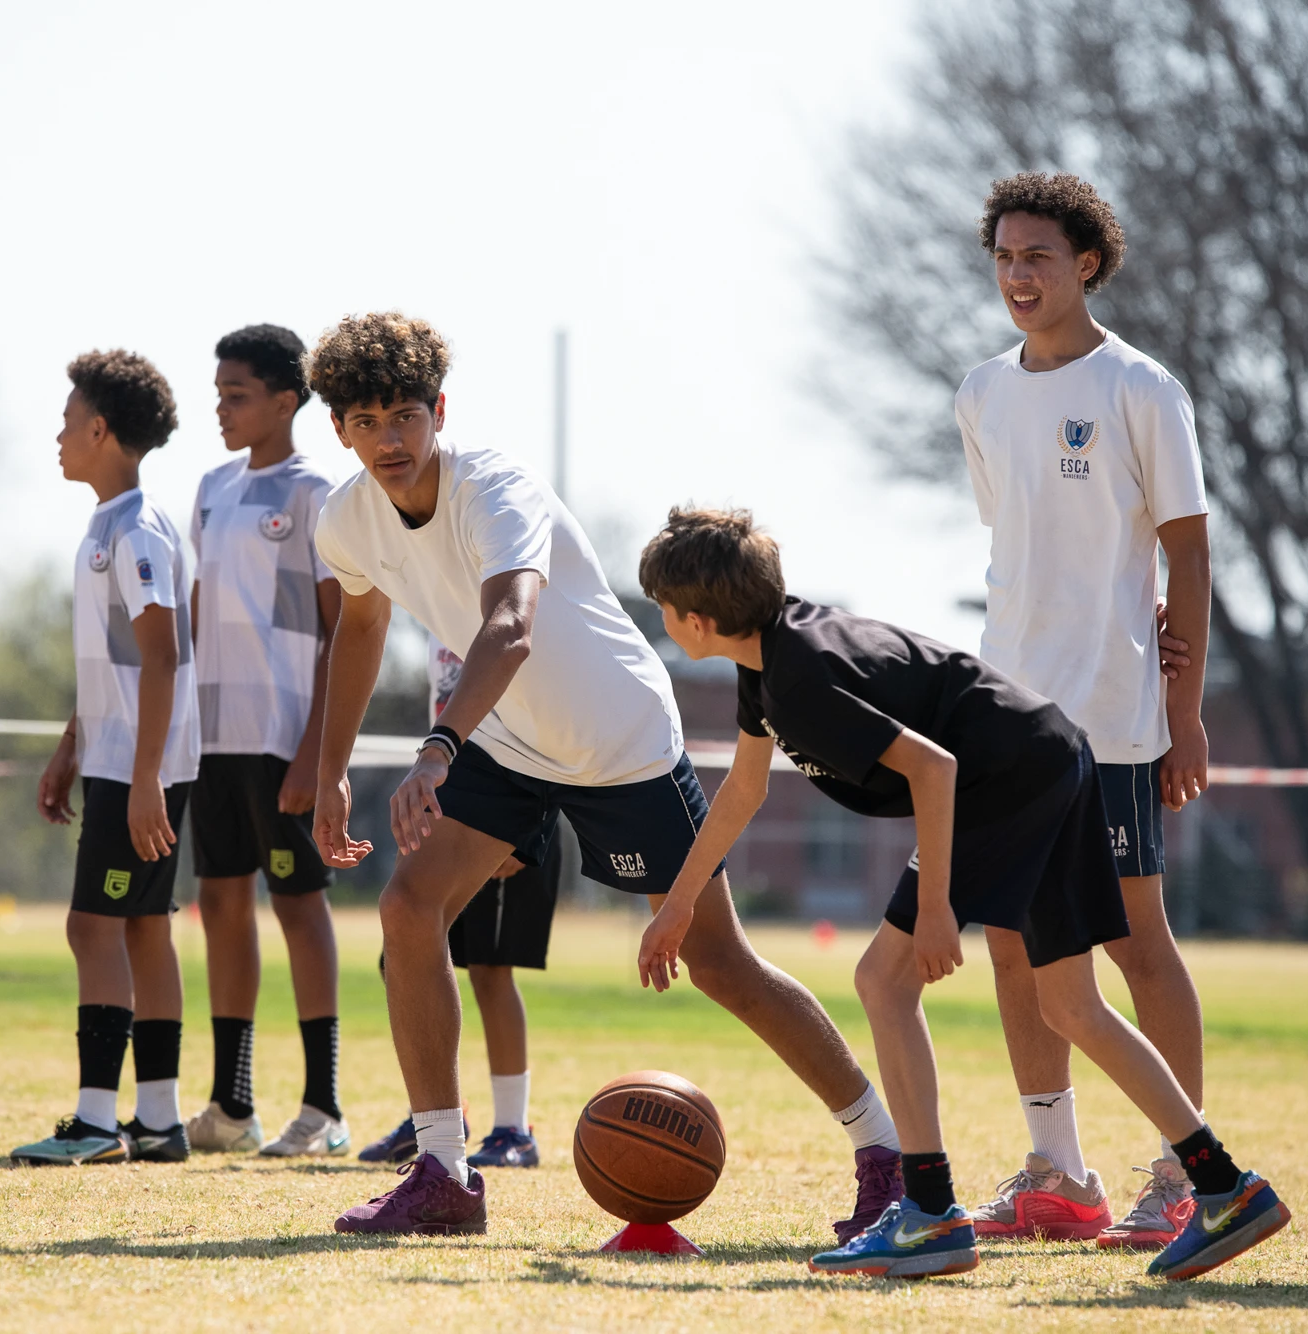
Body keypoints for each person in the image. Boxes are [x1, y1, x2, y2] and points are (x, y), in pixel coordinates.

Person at [306, 312, 895, 1239]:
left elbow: (510, 629)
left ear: (439, 411)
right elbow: (363, 630)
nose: (388, 439)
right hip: (504, 735)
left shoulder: (493, 485)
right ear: (338, 428)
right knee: (408, 909)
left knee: (721, 965)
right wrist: (331, 768)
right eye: (366, 420)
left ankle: (885, 1154)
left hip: (616, 738)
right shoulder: (343, 517)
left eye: (406, 415)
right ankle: (445, 1174)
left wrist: (435, 750)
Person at [636, 508, 1290, 1282]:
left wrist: (940, 903)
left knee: (882, 980)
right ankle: (1224, 1186)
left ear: (699, 620)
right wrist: (678, 904)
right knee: (1072, 1006)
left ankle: (930, 1213)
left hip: (1006, 778)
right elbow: (745, 789)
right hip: (1052, 755)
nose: (665, 623)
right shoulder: (769, 663)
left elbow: (935, 768)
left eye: (663, 610)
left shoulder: (800, 676)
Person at [953, 173, 1212, 1250]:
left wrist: (1183, 710)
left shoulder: (1141, 387)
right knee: (1012, 944)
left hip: (1109, 714)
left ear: (1086, 264)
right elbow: (1010, 551)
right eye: (1004, 257)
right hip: (1004, 713)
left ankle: (1185, 1171)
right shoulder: (976, 391)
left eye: (1039, 258)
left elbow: (1186, 553)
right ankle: (1054, 1174)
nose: (1019, 276)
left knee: (1133, 943)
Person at [11, 350, 200, 1166]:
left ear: (99, 429)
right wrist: (69, 747)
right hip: (118, 756)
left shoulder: (138, 528)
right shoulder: (105, 523)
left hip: (140, 763)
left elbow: (161, 658)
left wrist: (144, 776)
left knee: (95, 926)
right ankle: (157, 1120)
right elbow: (112, 660)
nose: (57, 435)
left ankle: (95, 1122)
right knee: (142, 930)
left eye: (66, 420)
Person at [181, 325, 351, 1158]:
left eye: (237, 394)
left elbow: (340, 627)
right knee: (219, 902)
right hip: (212, 737)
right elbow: (195, 610)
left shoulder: (319, 491)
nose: (222, 408)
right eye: (218, 394)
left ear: (287, 401)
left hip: (285, 738)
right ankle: (233, 1104)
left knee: (298, 906)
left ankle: (323, 1108)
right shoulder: (210, 488)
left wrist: (320, 752)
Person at [356, 633, 558, 1171]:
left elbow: (552, 707)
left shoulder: (511, 595)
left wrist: (524, 831)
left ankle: (514, 1127)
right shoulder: (432, 605)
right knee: (406, 955)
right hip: (451, 800)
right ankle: (443, 1115)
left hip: (513, 799)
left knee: (492, 969)